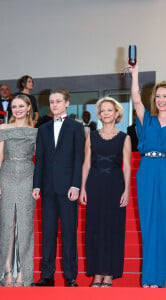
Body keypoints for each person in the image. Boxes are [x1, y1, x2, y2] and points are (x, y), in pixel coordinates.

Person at [128, 62, 166, 288]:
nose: (161, 100)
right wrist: (135, 75)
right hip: (147, 170)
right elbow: (135, 99)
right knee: (147, 223)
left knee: (164, 225)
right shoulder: (147, 120)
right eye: (158, 96)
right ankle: (148, 279)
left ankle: (158, 279)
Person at [31, 88, 85, 287]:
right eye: (51, 102)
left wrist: (76, 185)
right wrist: (37, 185)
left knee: (69, 233)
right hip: (47, 188)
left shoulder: (75, 127)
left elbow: (79, 158)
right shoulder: (43, 129)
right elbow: (40, 160)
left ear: (67, 103)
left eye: (58, 101)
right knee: (48, 234)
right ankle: (47, 276)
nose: (54, 105)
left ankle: (70, 276)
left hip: (68, 188)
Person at [80, 97, 131, 288]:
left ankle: (109, 274)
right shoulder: (91, 136)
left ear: (117, 113)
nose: (106, 113)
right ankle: (96, 274)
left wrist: (127, 190)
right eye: (103, 111)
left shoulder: (124, 137)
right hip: (94, 185)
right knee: (94, 229)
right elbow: (86, 164)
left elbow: (126, 166)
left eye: (110, 110)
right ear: (99, 115)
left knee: (113, 229)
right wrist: (83, 187)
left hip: (115, 186)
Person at [0, 94, 37, 286]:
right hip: (6, 174)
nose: (18, 109)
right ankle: (6, 272)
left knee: (25, 225)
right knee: (7, 224)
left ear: (29, 107)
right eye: (14, 106)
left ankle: (23, 273)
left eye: (21, 106)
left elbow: (40, 159)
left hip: (27, 176)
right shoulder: (3, 128)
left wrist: (38, 184)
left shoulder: (35, 131)